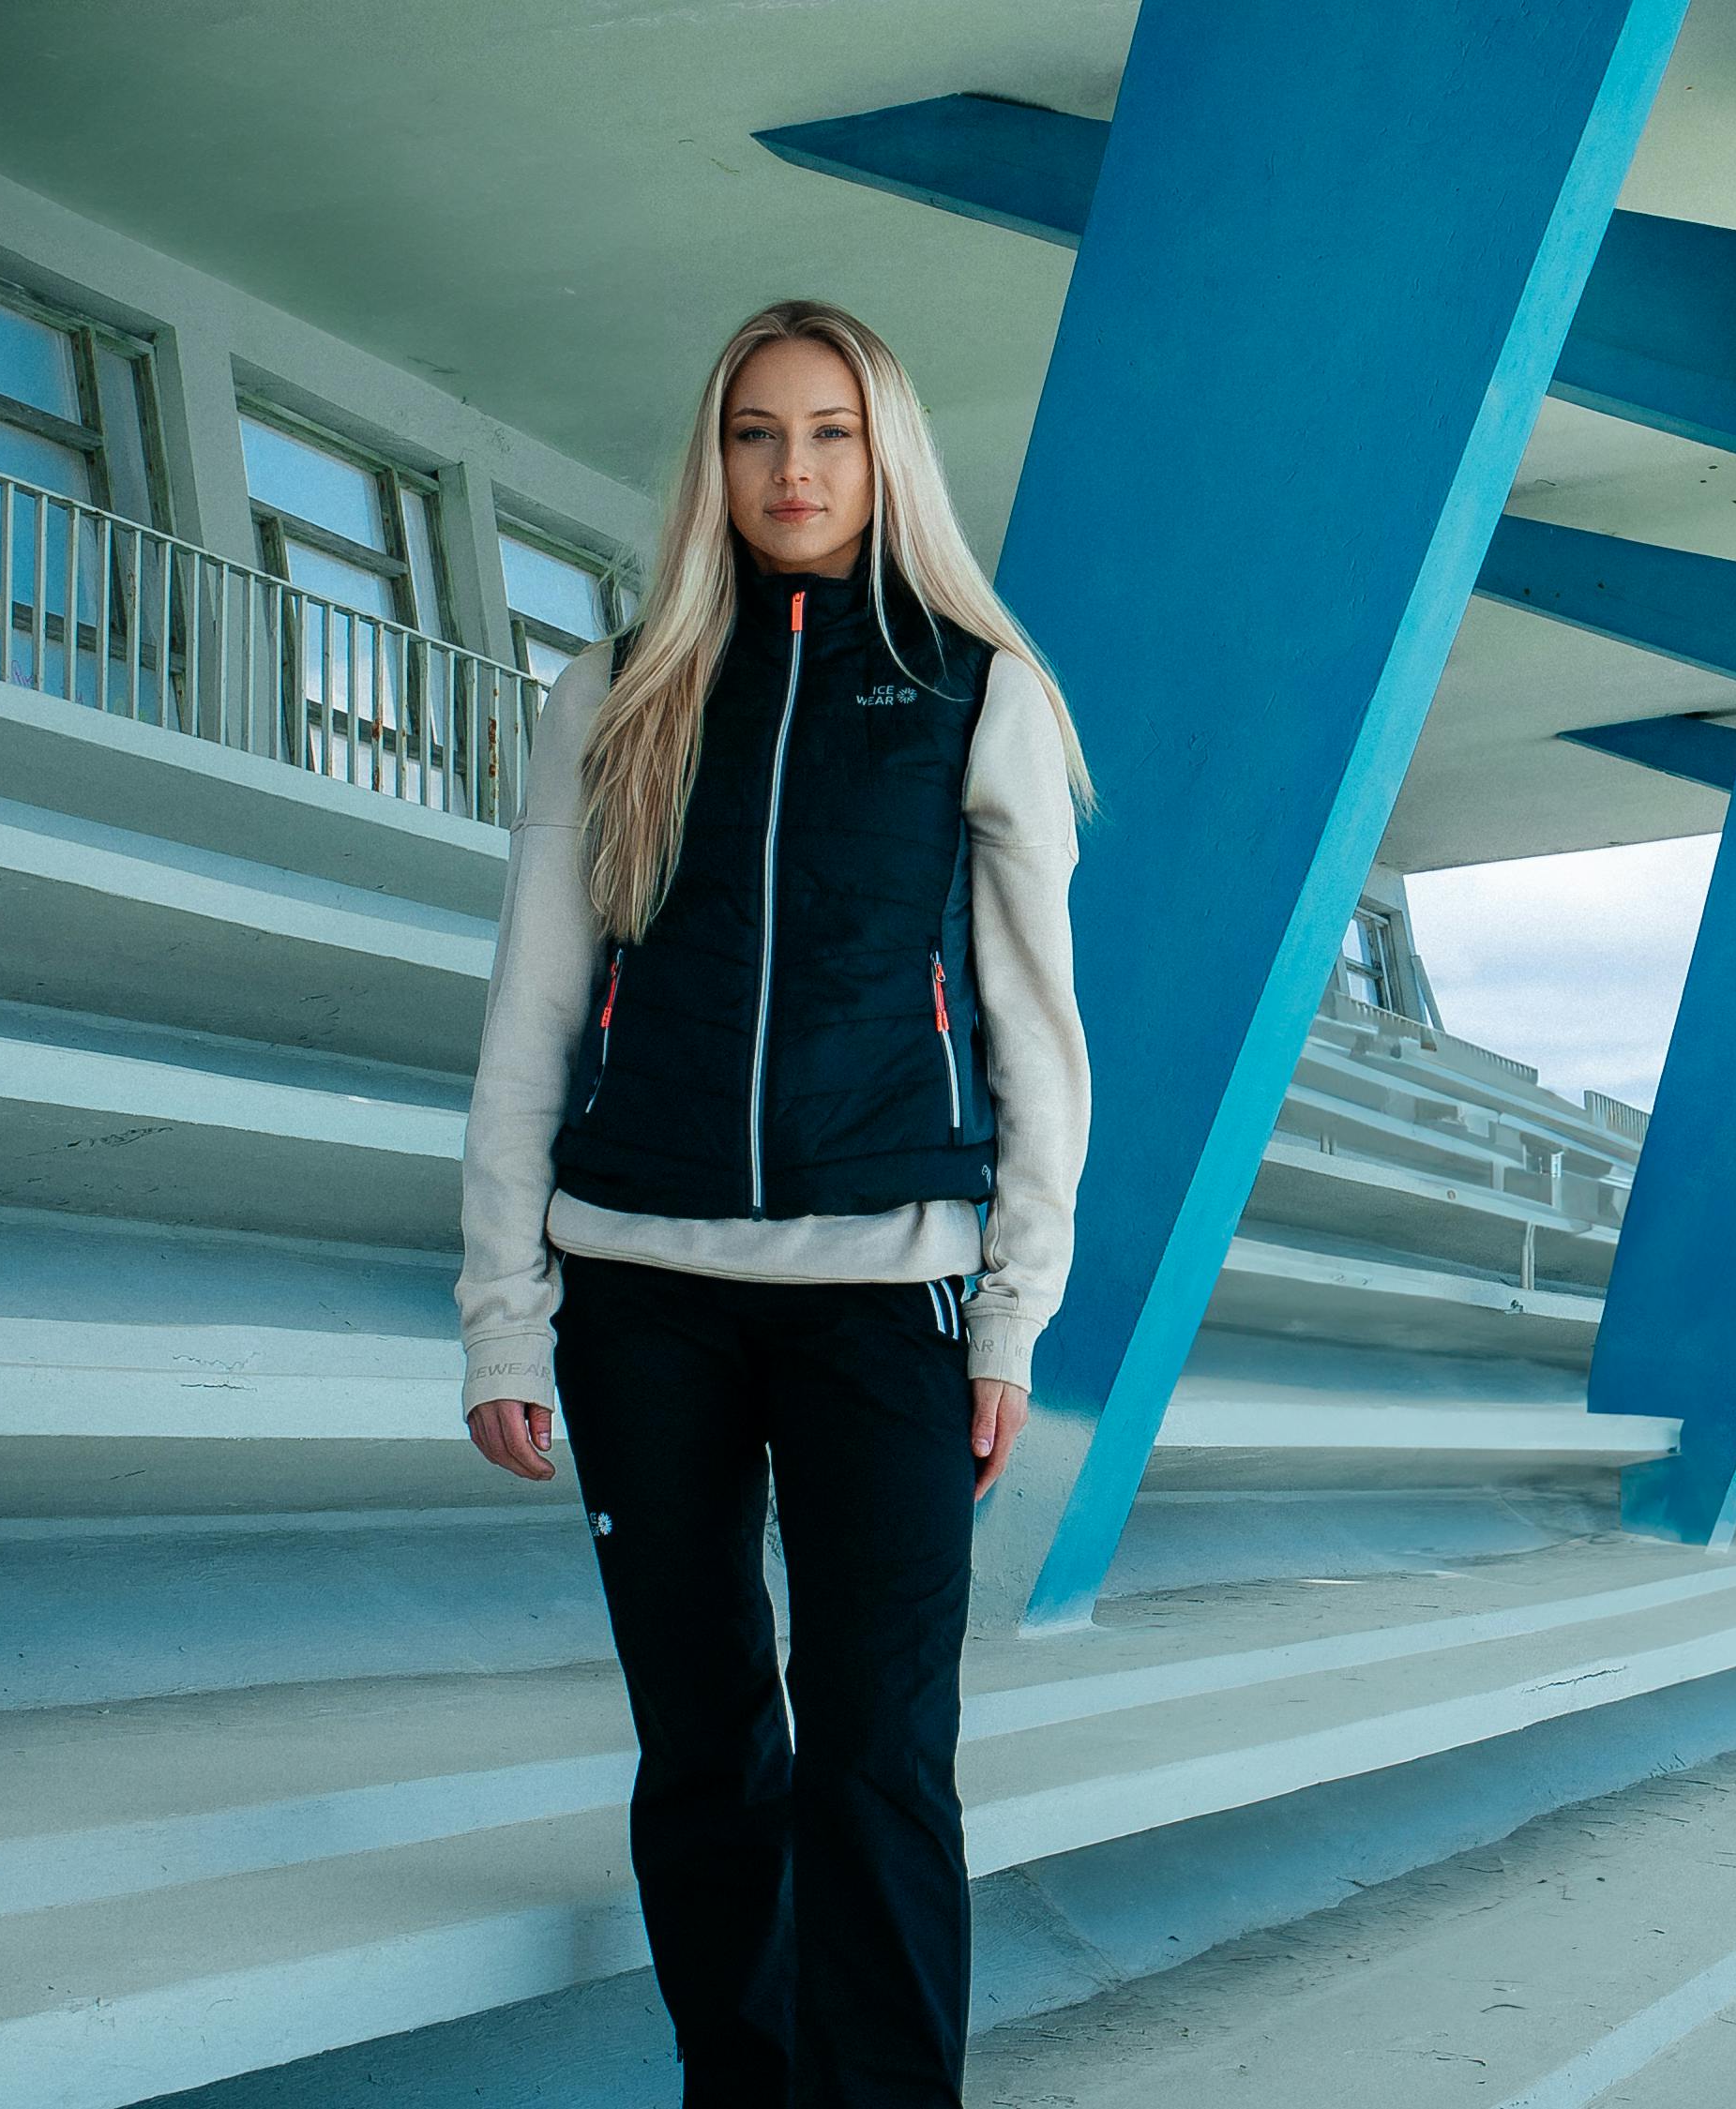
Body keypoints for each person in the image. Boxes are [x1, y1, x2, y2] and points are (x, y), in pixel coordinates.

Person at [453, 296, 1094, 2107]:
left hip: (887, 1293)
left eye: (827, 432)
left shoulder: (977, 689)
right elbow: (527, 1018)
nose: (792, 469)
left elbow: (1040, 1037)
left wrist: (1013, 1310)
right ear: (713, 459)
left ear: (883, 451)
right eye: (757, 434)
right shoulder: (621, 683)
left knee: (880, 1749)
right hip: (640, 1291)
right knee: (703, 1740)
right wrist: (505, 1303)